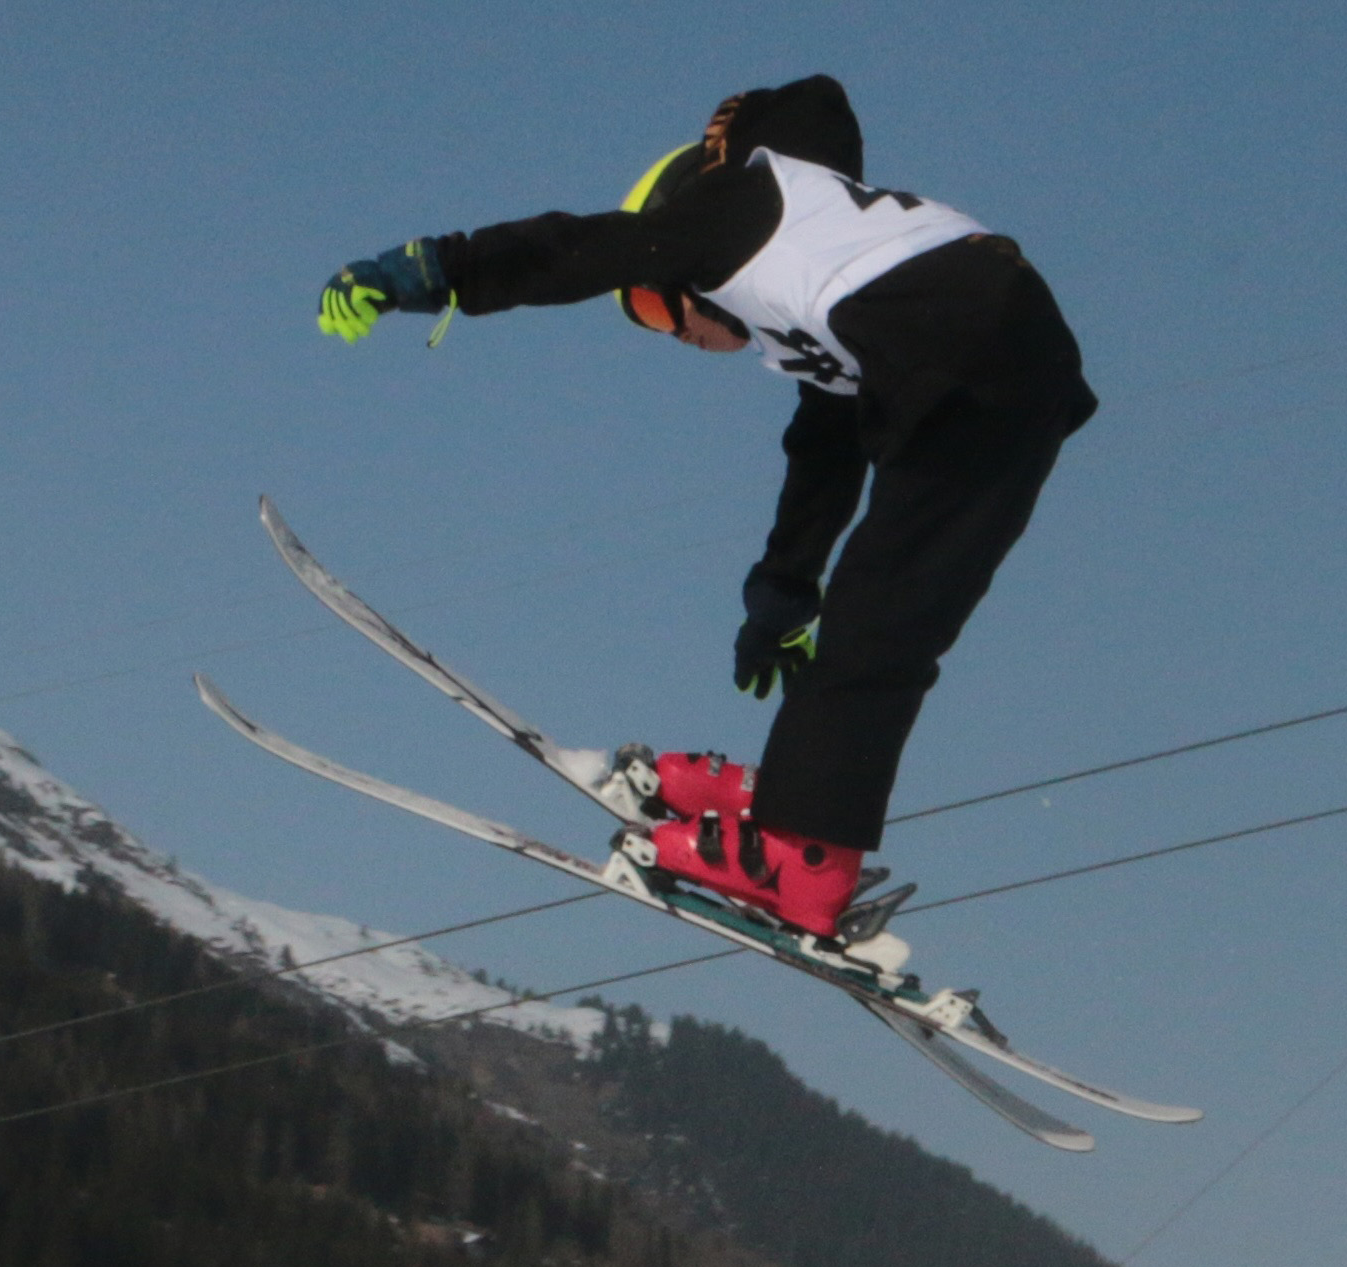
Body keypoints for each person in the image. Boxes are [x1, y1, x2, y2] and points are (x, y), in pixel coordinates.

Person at [317, 75, 1097, 946]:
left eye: (656, 303)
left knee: (879, 622)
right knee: (888, 614)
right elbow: (824, 458)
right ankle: (793, 809)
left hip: (964, 338)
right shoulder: (822, 286)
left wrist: (434, 272)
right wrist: (783, 597)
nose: (676, 334)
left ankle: (803, 858)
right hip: (1011, 366)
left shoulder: (740, 205)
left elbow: (585, 248)